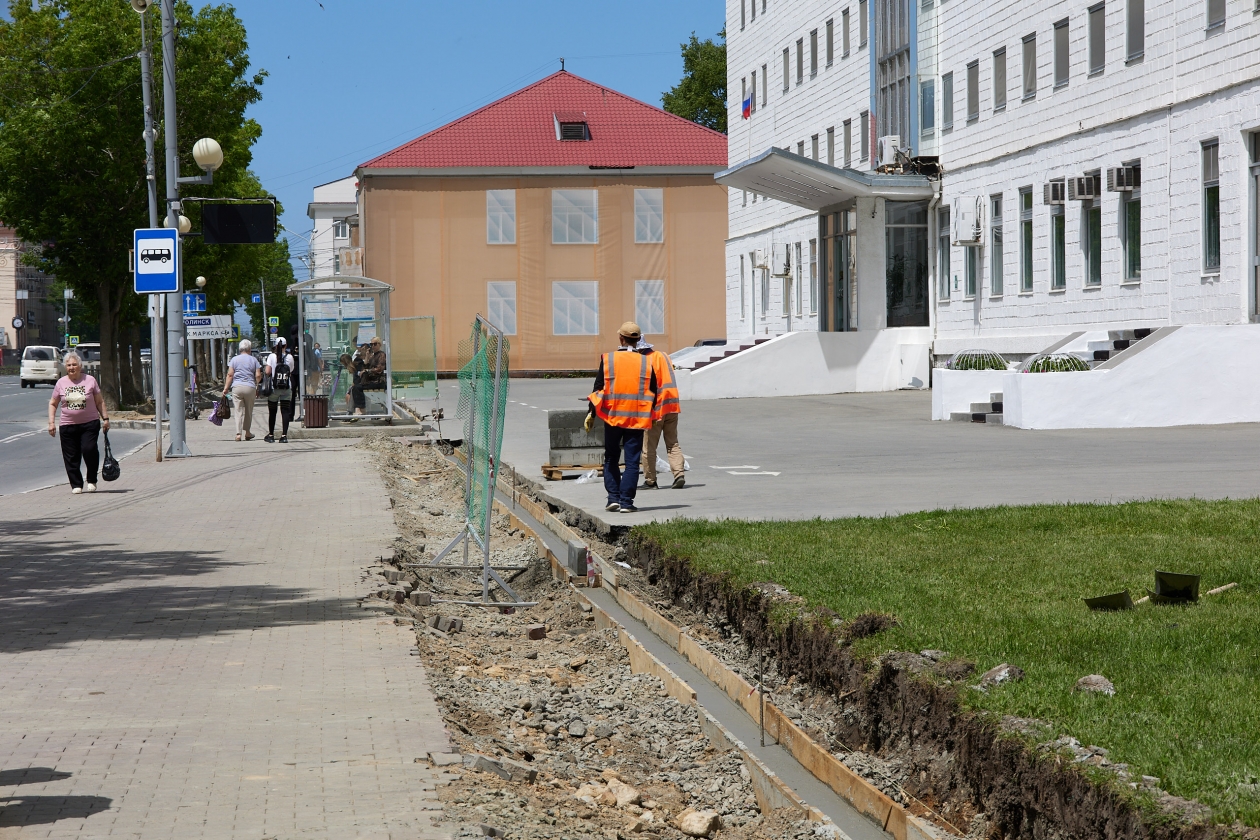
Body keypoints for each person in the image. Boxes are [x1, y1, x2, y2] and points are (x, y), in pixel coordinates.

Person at [586, 322, 657, 514]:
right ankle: (626, 502)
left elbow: (598, 388)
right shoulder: (646, 362)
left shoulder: (608, 359)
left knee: (611, 457)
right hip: (637, 418)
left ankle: (613, 498)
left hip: (613, 417)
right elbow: (654, 392)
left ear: (620, 338)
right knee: (633, 462)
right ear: (638, 340)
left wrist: (591, 411)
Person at [47, 351, 109, 494]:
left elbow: (99, 401)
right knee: (71, 456)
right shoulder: (61, 383)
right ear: (65, 367)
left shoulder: (90, 380)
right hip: (67, 425)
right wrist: (51, 423)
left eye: (74, 364)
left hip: (89, 423)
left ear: (80, 366)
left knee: (89, 449)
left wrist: (105, 418)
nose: (71, 367)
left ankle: (92, 479)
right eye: (68, 365)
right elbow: (53, 403)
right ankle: (76, 484)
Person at [637, 339, 685, 489]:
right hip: (672, 405)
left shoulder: (643, 361)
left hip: (656, 409)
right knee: (672, 443)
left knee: (649, 447)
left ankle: (651, 481)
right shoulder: (664, 355)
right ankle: (679, 474)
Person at [221, 339, 261, 441]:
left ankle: (238, 434)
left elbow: (230, 375)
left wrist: (226, 388)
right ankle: (247, 433)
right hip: (250, 387)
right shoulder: (254, 360)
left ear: (239, 349)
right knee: (248, 410)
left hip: (237, 387)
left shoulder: (234, 360)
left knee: (238, 410)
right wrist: (257, 385)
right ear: (249, 349)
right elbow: (258, 375)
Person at [263, 337, 295, 442]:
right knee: (285, 411)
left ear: (276, 346)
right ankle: (284, 436)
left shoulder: (271, 356)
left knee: (272, 411)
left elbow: (268, 371)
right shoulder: (290, 357)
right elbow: (291, 370)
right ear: (286, 346)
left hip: (274, 387)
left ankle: (271, 435)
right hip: (286, 387)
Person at [349, 336, 387, 415]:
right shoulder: (372, 356)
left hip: (378, 381)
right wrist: (366, 357)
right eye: (371, 344)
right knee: (356, 387)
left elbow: (379, 369)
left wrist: (367, 371)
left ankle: (361, 409)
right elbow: (365, 366)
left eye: (375, 344)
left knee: (357, 388)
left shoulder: (381, 355)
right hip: (370, 381)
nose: (373, 346)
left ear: (379, 345)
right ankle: (359, 409)